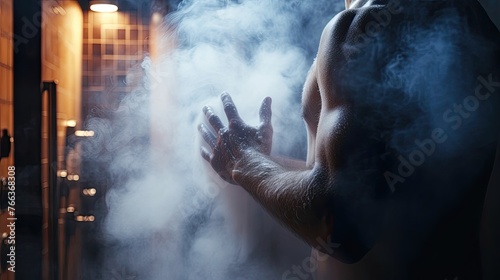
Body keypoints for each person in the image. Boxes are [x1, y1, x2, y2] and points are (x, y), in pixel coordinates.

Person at [199, 0, 500, 279]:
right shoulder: (471, 20)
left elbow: (338, 227)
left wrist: (244, 161)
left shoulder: (362, 26)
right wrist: (259, 161)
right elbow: (368, 182)